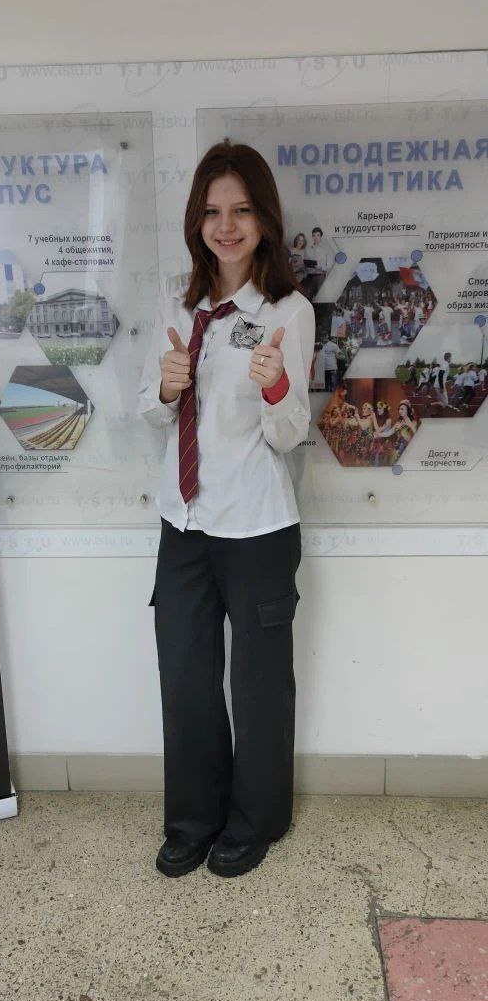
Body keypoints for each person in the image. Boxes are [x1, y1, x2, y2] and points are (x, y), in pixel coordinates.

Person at [137, 140, 316, 880]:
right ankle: (193, 820)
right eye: (213, 212)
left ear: (264, 218)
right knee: (184, 677)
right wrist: (166, 388)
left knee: (258, 684)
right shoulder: (176, 307)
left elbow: (291, 433)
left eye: (242, 210)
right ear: (197, 222)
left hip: (257, 526)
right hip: (182, 523)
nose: (227, 226)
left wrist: (276, 387)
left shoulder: (288, 312)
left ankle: (256, 820)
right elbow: (149, 412)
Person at [303, 227, 334, 301]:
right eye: (314, 235)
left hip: (320, 276)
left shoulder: (326, 249)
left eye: (318, 235)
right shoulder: (308, 248)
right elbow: (306, 261)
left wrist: (321, 267)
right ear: (312, 236)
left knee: (319, 298)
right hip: (309, 276)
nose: (315, 237)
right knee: (307, 298)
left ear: (321, 236)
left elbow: (330, 264)